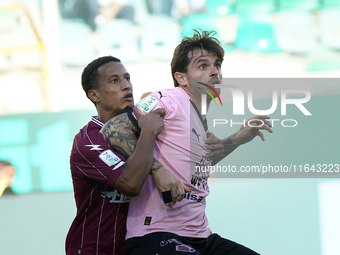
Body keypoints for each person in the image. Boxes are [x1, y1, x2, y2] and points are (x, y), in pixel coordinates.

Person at [101, 30, 273, 254]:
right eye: (203, 66)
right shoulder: (169, 98)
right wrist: (158, 170)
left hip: (200, 235)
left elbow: (198, 167)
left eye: (217, 65)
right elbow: (113, 128)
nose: (215, 72)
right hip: (155, 235)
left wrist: (237, 139)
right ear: (181, 78)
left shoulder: (200, 114)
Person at [65, 56, 185, 255]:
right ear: (94, 95)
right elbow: (131, 184)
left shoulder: (144, 127)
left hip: (138, 248)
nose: (127, 86)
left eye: (127, 78)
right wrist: (148, 131)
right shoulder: (89, 141)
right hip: (94, 249)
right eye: (115, 80)